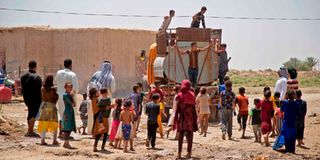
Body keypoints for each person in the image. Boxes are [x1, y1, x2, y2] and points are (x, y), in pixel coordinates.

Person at [55, 58, 79, 138]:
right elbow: (76, 88)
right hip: (68, 96)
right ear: (70, 65)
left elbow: (55, 83)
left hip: (59, 96)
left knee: (61, 114)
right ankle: (65, 133)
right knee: (68, 114)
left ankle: (60, 132)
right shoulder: (72, 74)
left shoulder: (58, 72)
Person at [174, 80, 198, 159]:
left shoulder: (180, 95)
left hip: (182, 118)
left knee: (181, 136)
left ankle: (179, 153)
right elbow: (194, 106)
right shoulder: (192, 94)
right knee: (190, 135)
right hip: (190, 119)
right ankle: (189, 153)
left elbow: (177, 106)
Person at [21, 60, 42, 137]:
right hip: (36, 99)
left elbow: (22, 89)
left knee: (30, 112)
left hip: (27, 98)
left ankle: (30, 130)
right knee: (33, 114)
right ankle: (30, 131)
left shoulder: (23, 77)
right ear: (35, 66)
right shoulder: (37, 77)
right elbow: (39, 90)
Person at [37, 75, 59, 145]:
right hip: (52, 106)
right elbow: (55, 98)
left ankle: (42, 140)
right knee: (54, 123)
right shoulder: (53, 89)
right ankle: (54, 140)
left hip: (44, 106)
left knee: (44, 123)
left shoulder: (42, 88)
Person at [61, 82, 76, 149]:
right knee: (67, 128)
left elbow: (74, 105)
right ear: (65, 87)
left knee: (69, 128)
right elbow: (72, 104)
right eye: (68, 87)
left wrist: (72, 96)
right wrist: (72, 97)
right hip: (67, 112)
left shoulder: (69, 95)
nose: (70, 88)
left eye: (71, 87)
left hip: (70, 112)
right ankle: (66, 143)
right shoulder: (65, 95)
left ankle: (65, 143)